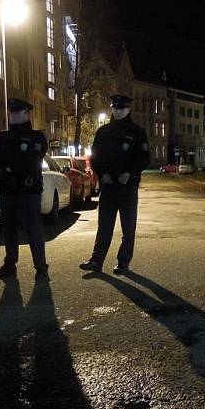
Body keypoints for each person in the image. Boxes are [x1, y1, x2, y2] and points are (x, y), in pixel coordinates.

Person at [80, 94, 151, 274]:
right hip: (108, 186)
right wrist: (101, 174)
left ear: (128, 109)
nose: (118, 111)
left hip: (127, 186)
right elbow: (94, 156)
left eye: (122, 108)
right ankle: (97, 260)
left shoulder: (137, 132)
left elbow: (144, 158)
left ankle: (123, 262)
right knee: (104, 226)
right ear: (112, 108)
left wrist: (130, 172)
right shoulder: (103, 132)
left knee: (128, 227)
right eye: (115, 108)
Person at [0, 98, 50, 281]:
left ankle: (41, 268)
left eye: (17, 112)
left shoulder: (36, 137)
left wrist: (10, 169)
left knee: (34, 230)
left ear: (26, 114)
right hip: (8, 191)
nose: (13, 116)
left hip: (28, 190)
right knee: (9, 230)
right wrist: (0, 171)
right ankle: (9, 266)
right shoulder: (3, 137)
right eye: (12, 113)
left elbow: (33, 159)